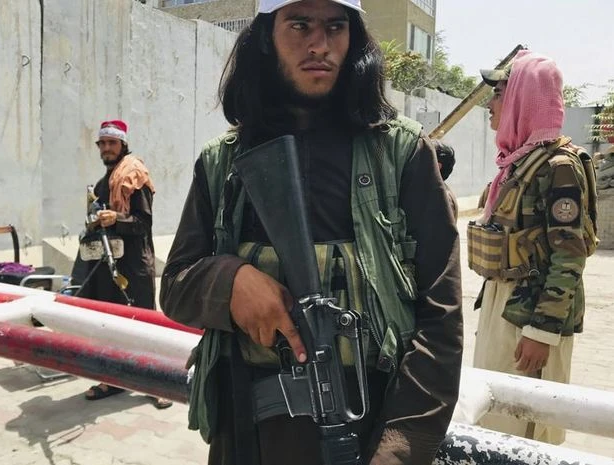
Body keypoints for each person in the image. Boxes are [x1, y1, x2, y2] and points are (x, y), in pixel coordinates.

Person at [160, 1, 463, 463]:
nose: (319, 45)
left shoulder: (400, 154)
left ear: (353, 38)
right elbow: (177, 284)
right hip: (247, 435)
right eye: (299, 25)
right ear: (267, 35)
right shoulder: (224, 162)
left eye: (335, 27)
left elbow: (441, 318)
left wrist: (399, 449)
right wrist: (231, 282)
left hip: (371, 433)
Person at [469, 50, 598, 445]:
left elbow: (569, 255)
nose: (490, 103)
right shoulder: (519, 160)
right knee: (492, 420)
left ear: (525, 98)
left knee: (520, 429)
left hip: (531, 316)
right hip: (504, 305)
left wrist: (541, 332)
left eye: (500, 92)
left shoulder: (558, 165)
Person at [72, 120, 172, 409]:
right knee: (112, 326)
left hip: (135, 264)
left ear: (122, 145)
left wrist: (116, 219)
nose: (105, 148)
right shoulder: (105, 182)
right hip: (109, 264)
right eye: (101, 143)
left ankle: (158, 383)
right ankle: (115, 380)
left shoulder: (133, 176)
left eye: (111, 143)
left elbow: (144, 222)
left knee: (144, 324)